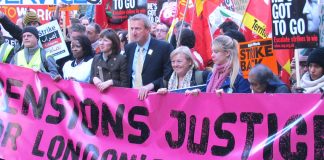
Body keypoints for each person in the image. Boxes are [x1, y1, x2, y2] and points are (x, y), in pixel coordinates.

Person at [125, 14, 173, 99]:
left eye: (137, 29)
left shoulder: (164, 47)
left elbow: (169, 75)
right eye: (132, 29)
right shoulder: (129, 48)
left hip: (155, 98)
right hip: (132, 99)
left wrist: (151, 85)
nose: (134, 32)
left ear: (148, 29)